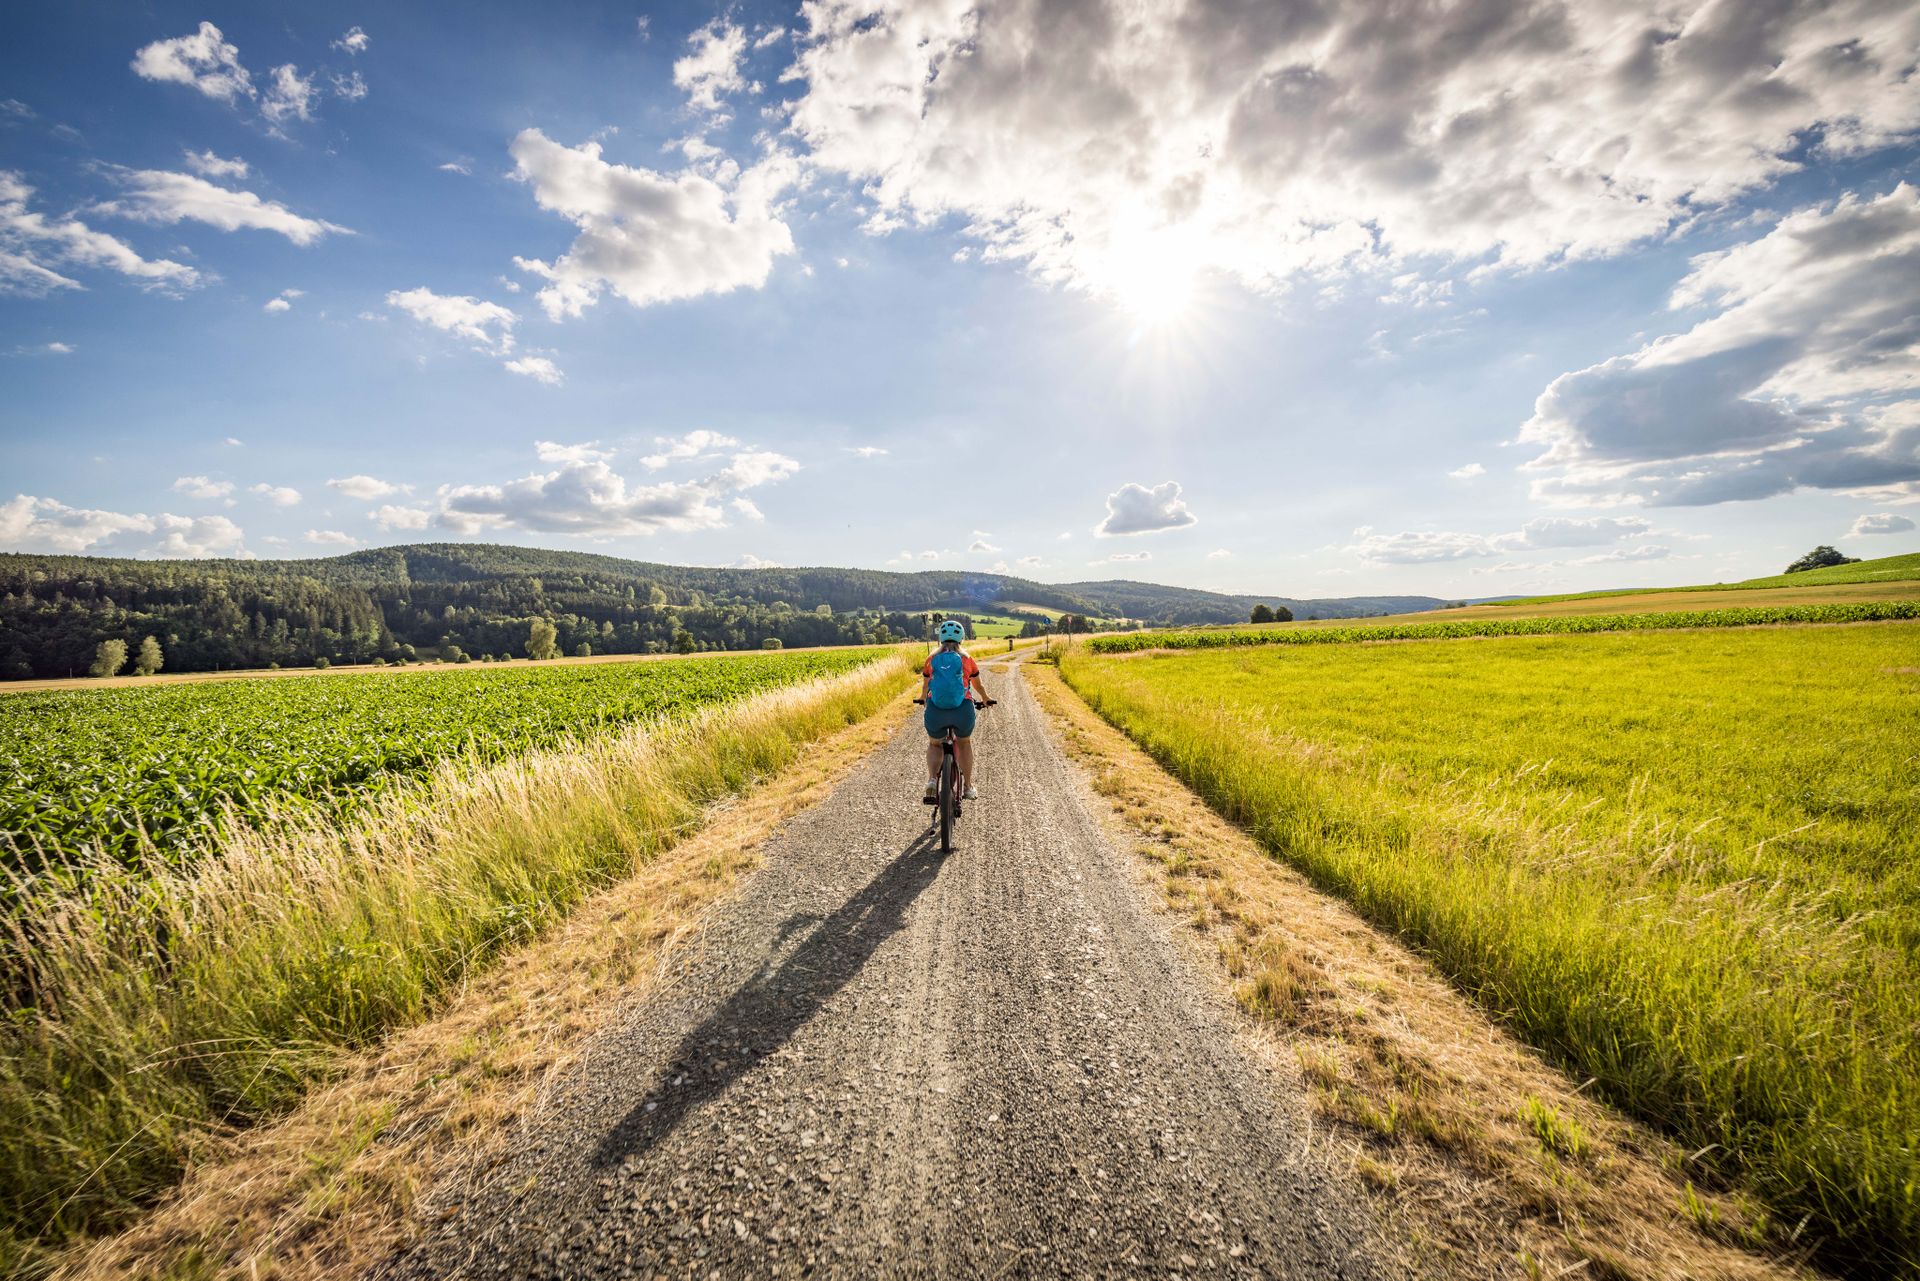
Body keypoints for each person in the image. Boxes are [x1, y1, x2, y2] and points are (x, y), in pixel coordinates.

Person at [919, 620, 993, 800]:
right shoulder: (967, 659)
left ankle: (931, 780)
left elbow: (926, 684)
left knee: (935, 744)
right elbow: (977, 685)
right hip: (962, 710)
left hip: (936, 710)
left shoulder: (931, 659)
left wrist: (922, 699)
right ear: (961, 638)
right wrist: (985, 698)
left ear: (941, 638)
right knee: (964, 743)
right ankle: (968, 787)